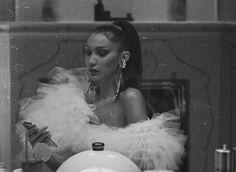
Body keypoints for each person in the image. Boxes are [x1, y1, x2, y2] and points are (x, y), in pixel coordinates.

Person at [16, 21, 186, 171]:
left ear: (123, 58)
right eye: (88, 52)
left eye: (102, 53)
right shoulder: (78, 102)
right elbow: (68, 168)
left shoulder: (130, 98)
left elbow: (141, 167)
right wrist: (41, 146)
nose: (91, 61)